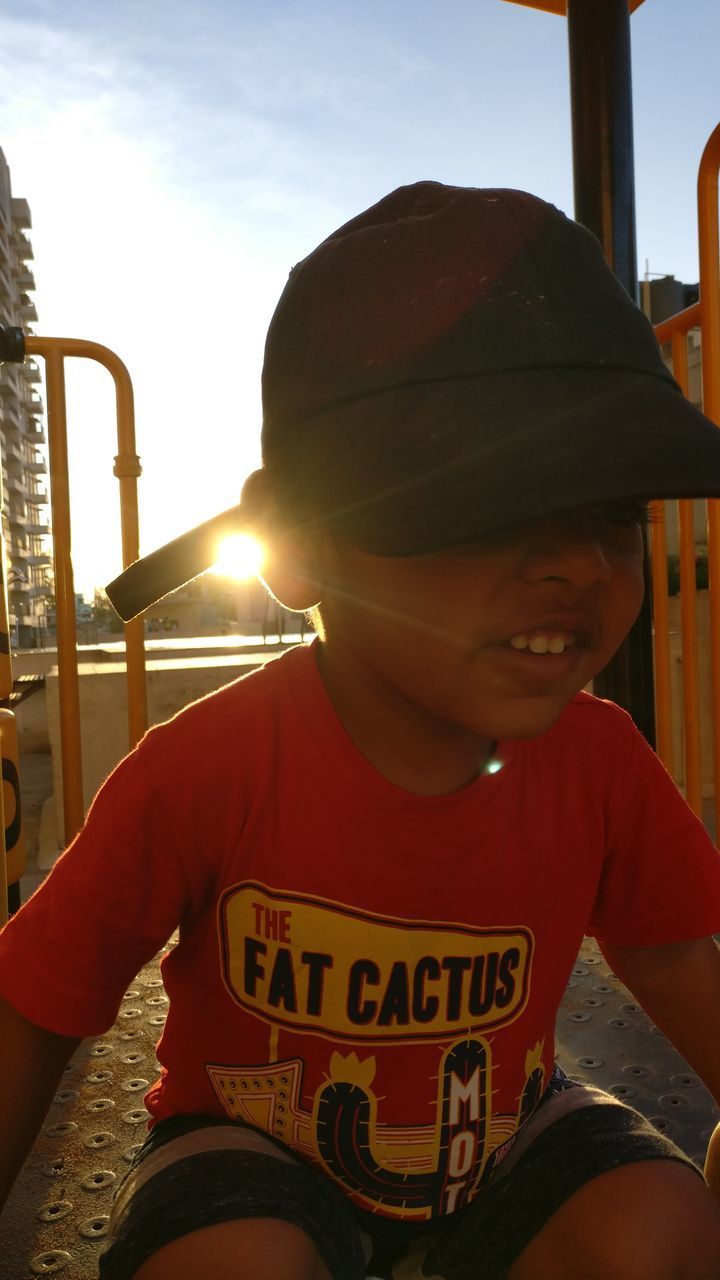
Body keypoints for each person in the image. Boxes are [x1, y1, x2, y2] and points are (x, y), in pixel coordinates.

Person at [2, 182, 720, 1280]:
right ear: (297, 546)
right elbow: (38, 1003)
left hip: (505, 1129)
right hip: (252, 1145)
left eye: (612, 509)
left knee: (661, 1222)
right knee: (232, 1260)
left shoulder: (601, 757)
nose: (577, 561)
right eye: (482, 498)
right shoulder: (210, 766)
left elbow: (674, 951)